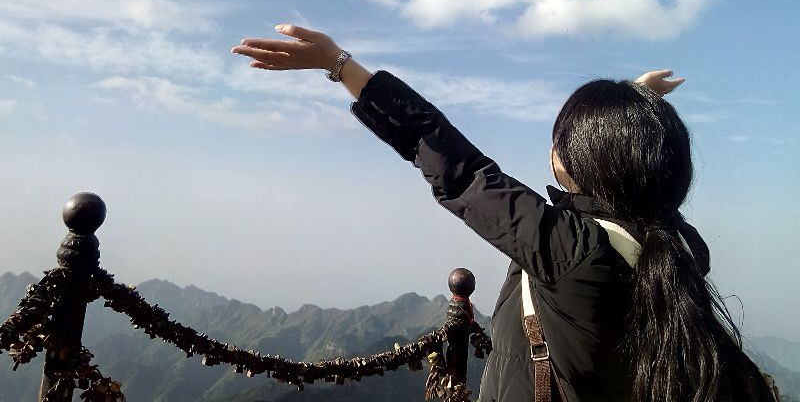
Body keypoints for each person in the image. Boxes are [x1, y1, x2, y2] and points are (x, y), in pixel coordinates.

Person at [231, 24, 776, 402]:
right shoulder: (678, 246)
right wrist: (631, 102)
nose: (552, 148)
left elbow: (451, 160)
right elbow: (638, 179)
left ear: (581, 163)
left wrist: (338, 64)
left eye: (560, 140)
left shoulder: (568, 250)